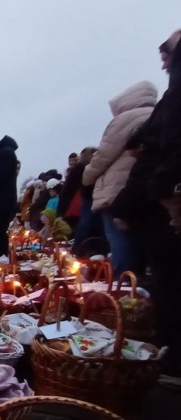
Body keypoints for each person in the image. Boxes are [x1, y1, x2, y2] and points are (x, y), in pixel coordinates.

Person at [109, 29, 181, 389]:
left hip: (162, 198)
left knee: (164, 277)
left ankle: (169, 356)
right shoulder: (163, 101)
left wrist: (140, 196)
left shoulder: (169, 101)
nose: (163, 59)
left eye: (167, 51)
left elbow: (159, 151)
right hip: (157, 195)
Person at [83, 80, 158, 278]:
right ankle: (139, 295)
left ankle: (120, 296)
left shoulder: (126, 119)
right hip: (146, 191)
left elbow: (104, 155)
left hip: (118, 193)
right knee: (143, 248)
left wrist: (87, 175)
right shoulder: (159, 114)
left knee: (121, 247)